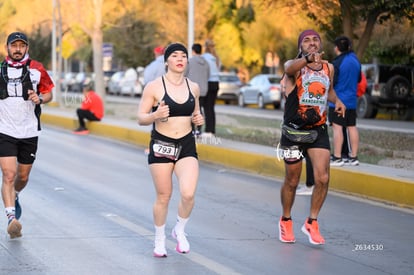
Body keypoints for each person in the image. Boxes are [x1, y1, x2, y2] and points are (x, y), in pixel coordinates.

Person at [278, 29, 345, 245]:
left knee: (323, 178)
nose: (312, 43)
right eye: (306, 41)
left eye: (315, 39)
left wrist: (338, 101)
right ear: (301, 47)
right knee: (292, 180)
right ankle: (286, 220)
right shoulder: (293, 67)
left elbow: (329, 90)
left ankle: (311, 222)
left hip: (318, 130)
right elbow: (289, 67)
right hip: (293, 133)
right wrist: (306, 60)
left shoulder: (329, 67)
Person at [137, 43, 204, 257]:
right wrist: (155, 115)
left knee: (188, 193)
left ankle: (179, 230)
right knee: (164, 196)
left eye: (183, 55)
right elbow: (141, 118)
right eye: (174, 55)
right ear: (166, 60)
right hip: (162, 144)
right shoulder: (154, 87)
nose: (180, 58)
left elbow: (195, 113)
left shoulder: (193, 87)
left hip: (186, 144)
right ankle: (159, 239)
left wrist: (198, 119)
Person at [0, 32, 54, 239]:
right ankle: (11, 219)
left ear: (27, 48)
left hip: (29, 131)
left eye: (22, 46)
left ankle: (16, 194)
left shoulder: (37, 68)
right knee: (9, 174)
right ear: (7, 48)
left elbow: (49, 93)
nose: (18, 49)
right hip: (4, 130)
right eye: (14, 45)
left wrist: (39, 98)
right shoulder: (0, 70)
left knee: (22, 177)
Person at [329, 36, 362, 166]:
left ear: (337, 48)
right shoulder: (356, 60)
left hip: (337, 101)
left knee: (337, 128)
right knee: (352, 127)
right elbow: (359, 79)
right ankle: (353, 157)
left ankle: (337, 157)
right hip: (352, 101)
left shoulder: (337, 63)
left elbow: (333, 82)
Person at [186, 43, 210, 136]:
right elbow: (208, 75)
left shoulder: (190, 62)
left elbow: (184, 74)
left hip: (192, 90)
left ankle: (192, 129)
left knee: (191, 110)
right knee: (199, 110)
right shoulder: (206, 63)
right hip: (203, 90)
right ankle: (199, 130)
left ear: (193, 51)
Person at [202, 39, 220, 136]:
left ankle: (208, 130)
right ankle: (212, 130)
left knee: (206, 107)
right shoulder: (216, 58)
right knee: (211, 108)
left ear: (205, 47)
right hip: (216, 83)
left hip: (208, 82)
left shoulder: (204, 58)